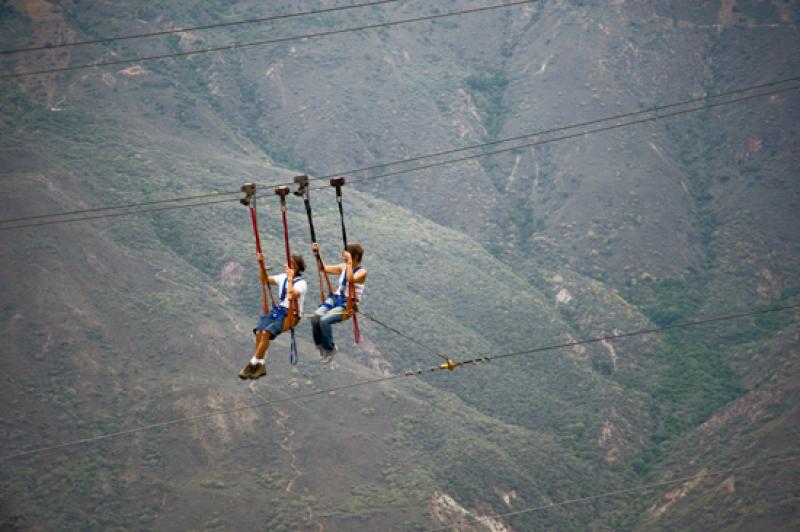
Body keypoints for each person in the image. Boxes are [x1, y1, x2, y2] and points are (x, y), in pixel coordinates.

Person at [239, 253, 307, 380]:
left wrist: (291, 278)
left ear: (296, 267)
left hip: (290, 315)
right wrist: (261, 265)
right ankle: (261, 364)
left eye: (290, 263)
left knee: (266, 333)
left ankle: (253, 363)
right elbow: (264, 280)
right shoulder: (282, 277)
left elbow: (291, 295)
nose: (286, 265)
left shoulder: (301, 283)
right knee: (259, 331)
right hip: (279, 311)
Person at [310, 243, 367, 363]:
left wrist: (350, 262)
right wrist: (317, 254)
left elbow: (351, 279)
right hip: (335, 298)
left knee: (324, 320)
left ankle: (330, 349)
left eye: (347, 254)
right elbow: (322, 269)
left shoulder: (362, 272)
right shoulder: (343, 266)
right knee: (316, 317)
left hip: (347, 304)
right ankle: (320, 346)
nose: (344, 256)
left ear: (355, 257)